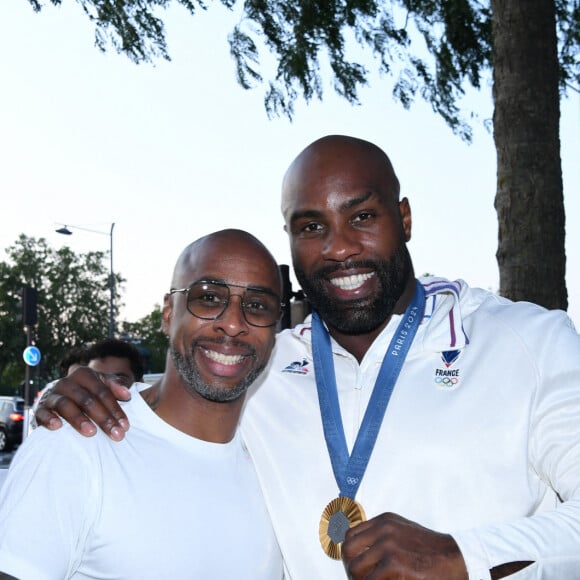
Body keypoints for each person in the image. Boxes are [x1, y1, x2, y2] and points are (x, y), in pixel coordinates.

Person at [35, 136, 580, 579]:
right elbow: (166, 412)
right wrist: (75, 394)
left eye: (361, 216)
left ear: (405, 218)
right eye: (311, 226)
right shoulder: (261, 367)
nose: (339, 247)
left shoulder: (528, 340)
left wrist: (463, 556)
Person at [0, 229, 284, 579]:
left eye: (257, 306)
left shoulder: (275, 464)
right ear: (168, 313)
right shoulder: (78, 440)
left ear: (275, 334)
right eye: (209, 298)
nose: (233, 322)